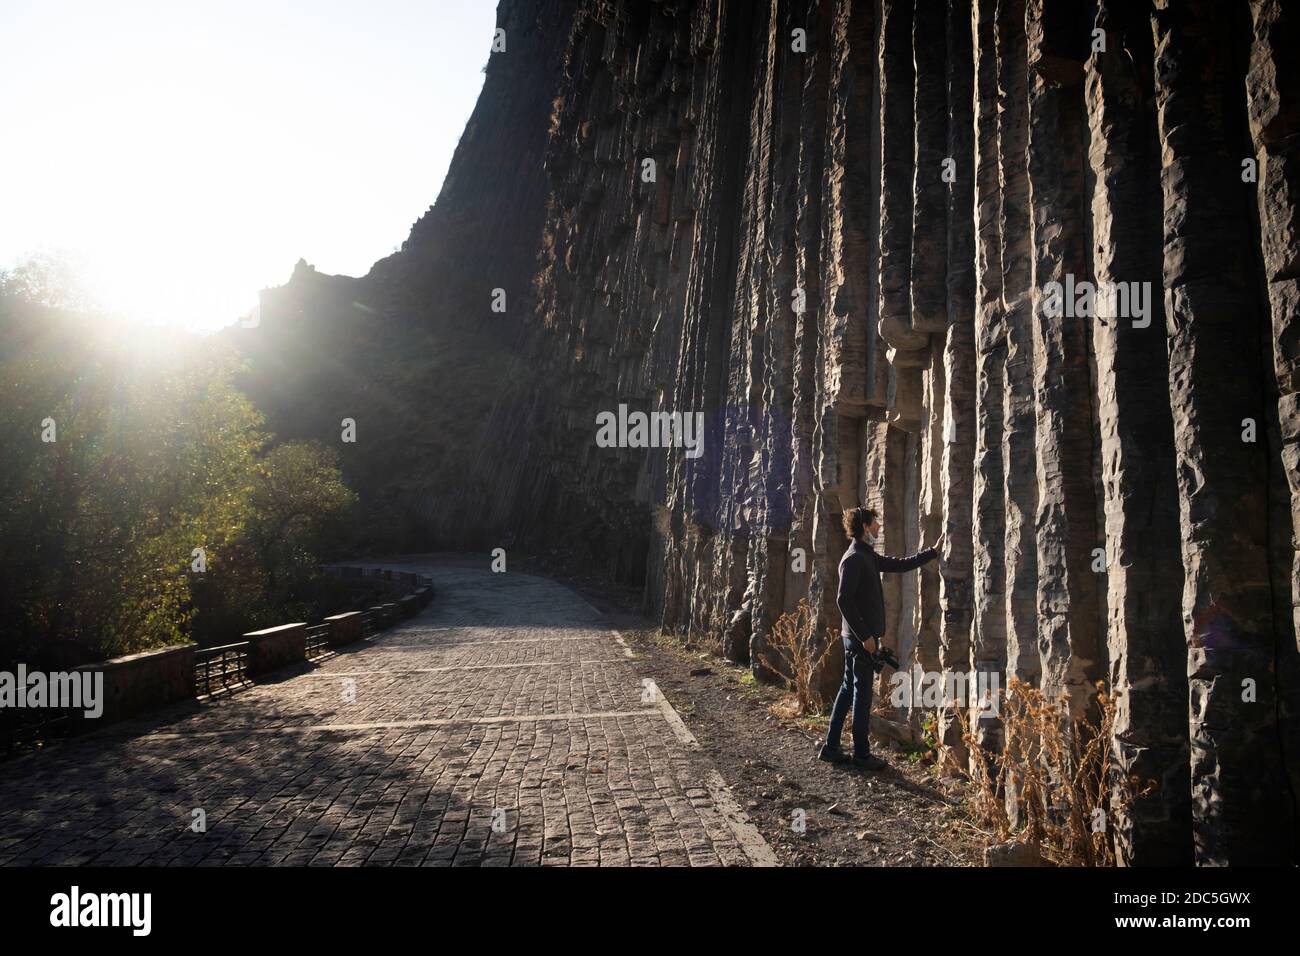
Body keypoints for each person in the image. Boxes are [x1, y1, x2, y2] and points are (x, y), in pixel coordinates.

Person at [818, 506, 941, 770]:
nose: (878, 527)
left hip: (858, 638)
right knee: (861, 695)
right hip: (858, 640)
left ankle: (831, 747)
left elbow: (899, 565)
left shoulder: (867, 556)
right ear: (864, 526)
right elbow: (843, 600)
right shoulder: (853, 558)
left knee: (847, 689)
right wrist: (865, 637)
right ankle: (861, 755)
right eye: (875, 522)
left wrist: (931, 553)